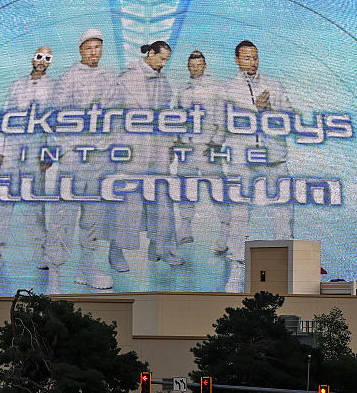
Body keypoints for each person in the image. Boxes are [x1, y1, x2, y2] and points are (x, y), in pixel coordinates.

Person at [0, 46, 56, 275]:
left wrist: (50, 152)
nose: (42, 61)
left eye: (47, 58)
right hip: (12, 147)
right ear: (32, 58)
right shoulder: (17, 85)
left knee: (34, 204)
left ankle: (42, 254)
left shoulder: (54, 88)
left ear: (50, 63)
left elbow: (56, 122)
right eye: (39, 56)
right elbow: (4, 117)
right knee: (2, 202)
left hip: (36, 149)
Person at [48, 28, 119, 290]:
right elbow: (57, 118)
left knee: (93, 217)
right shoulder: (67, 79)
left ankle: (86, 268)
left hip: (98, 158)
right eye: (89, 48)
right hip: (74, 159)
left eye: (97, 47)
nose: (93, 52)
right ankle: (54, 274)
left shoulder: (109, 79)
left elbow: (114, 117)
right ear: (81, 50)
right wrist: (67, 150)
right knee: (64, 216)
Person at [220, 40, 294, 292]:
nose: (252, 62)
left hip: (274, 157)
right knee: (239, 214)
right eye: (247, 58)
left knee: (283, 212)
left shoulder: (273, 85)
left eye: (255, 57)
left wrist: (269, 108)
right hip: (244, 159)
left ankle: (287, 269)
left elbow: (291, 117)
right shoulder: (228, 88)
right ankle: (237, 268)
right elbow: (223, 122)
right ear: (237, 60)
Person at [114, 40, 182, 266]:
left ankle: (160, 246)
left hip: (158, 148)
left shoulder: (164, 81)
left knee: (162, 196)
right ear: (150, 53)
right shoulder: (126, 77)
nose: (164, 64)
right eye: (161, 58)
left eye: (166, 60)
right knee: (128, 199)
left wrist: (171, 144)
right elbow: (115, 116)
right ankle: (116, 252)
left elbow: (167, 115)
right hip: (133, 147)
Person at [173, 50, 228, 256]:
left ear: (205, 66)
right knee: (185, 189)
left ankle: (225, 231)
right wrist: (178, 141)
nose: (195, 69)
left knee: (217, 189)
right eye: (192, 66)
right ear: (188, 67)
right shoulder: (183, 89)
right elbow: (178, 117)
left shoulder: (216, 88)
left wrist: (216, 142)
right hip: (187, 148)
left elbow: (223, 118)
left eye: (199, 65)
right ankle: (185, 228)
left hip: (208, 148)